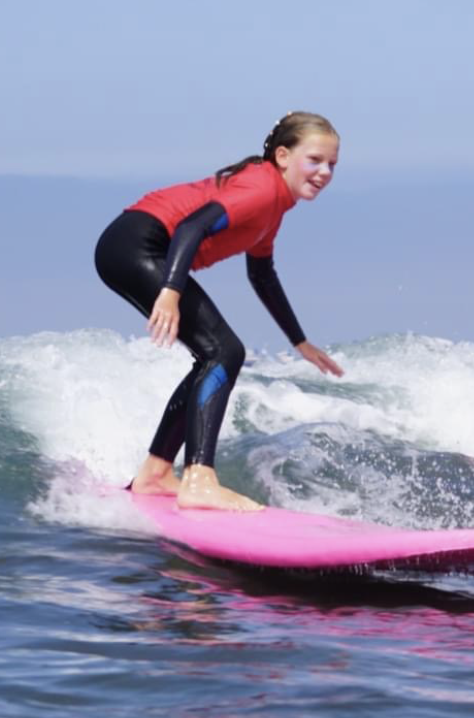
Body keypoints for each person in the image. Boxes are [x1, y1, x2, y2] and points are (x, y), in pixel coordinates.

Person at [94, 112, 345, 512]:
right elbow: (192, 227)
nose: (325, 171)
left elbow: (261, 273)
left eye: (332, 164)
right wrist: (171, 291)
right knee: (224, 352)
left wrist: (300, 341)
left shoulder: (275, 205)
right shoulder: (262, 190)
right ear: (283, 155)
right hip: (139, 245)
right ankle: (199, 479)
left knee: (213, 355)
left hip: (136, 247)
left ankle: (156, 474)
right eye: (314, 160)